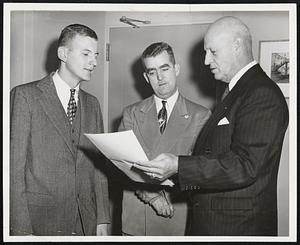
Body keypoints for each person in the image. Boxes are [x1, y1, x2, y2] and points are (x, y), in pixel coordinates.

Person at [133, 16, 289, 236]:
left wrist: (179, 166)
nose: (206, 61)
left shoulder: (260, 93)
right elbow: (215, 157)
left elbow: (246, 165)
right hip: (218, 222)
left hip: (237, 227)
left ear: (236, 46)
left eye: (213, 52)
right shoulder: (236, 91)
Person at [10, 24, 110, 236]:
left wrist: (102, 218)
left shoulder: (93, 104)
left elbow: (98, 168)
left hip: (86, 222)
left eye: (96, 55)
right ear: (63, 53)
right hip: (40, 222)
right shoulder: (26, 96)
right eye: (86, 54)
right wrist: (21, 229)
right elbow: (13, 171)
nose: (94, 62)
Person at [118, 42, 211, 236]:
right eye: (152, 72)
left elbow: (202, 170)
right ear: (146, 77)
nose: (160, 78)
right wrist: (150, 196)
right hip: (137, 219)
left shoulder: (201, 116)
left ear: (176, 69)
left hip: (176, 215)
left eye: (164, 68)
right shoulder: (132, 114)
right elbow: (121, 165)